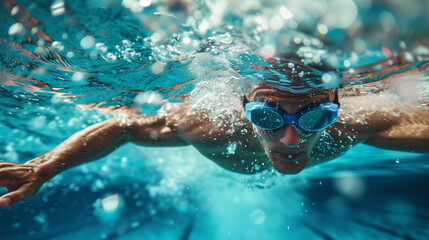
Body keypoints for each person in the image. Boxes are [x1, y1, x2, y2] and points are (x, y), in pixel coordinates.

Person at [0, 54, 428, 209]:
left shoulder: (358, 123)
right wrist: (44, 166)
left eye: (316, 118)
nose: (290, 140)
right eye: (267, 117)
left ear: (336, 109)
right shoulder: (208, 126)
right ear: (243, 108)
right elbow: (123, 125)